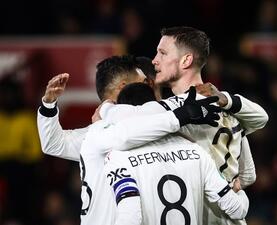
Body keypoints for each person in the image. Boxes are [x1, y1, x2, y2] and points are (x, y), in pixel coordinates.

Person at [98, 27, 269, 224]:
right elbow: (249, 175)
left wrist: (106, 108)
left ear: (186, 61)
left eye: (162, 53)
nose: (154, 60)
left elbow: (124, 122)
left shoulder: (172, 112)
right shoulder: (228, 110)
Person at [37, 55, 221, 224]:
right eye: (144, 83)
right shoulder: (99, 134)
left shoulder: (99, 132)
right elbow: (53, 143)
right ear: (124, 87)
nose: (149, 88)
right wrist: (184, 110)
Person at [81, 82, 249, 225]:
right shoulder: (196, 151)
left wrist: (106, 109)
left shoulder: (117, 158)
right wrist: (239, 192)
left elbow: (130, 217)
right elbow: (237, 210)